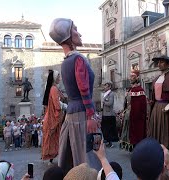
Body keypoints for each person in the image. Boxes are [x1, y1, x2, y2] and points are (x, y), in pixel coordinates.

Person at [49, 18, 99, 174]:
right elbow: (84, 89)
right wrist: (91, 116)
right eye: (75, 29)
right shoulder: (78, 59)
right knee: (88, 157)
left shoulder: (65, 62)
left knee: (72, 157)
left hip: (71, 113)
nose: (80, 33)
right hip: (82, 114)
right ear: (68, 36)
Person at [120, 69, 147, 152]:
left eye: (132, 76)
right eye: (130, 76)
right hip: (128, 115)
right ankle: (131, 147)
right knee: (127, 132)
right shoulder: (130, 90)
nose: (130, 78)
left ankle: (137, 148)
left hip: (135, 116)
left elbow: (141, 106)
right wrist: (123, 111)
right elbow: (127, 103)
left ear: (137, 78)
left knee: (135, 133)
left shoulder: (139, 90)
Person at [42, 70, 65, 165]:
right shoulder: (54, 89)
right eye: (58, 77)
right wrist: (65, 107)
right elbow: (56, 104)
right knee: (55, 137)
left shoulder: (53, 88)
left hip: (51, 116)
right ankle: (54, 158)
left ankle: (52, 158)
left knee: (54, 137)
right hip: (53, 117)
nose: (60, 78)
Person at [101, 82, 118, 148]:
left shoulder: (111, 94)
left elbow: (110, 103)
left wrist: (104, 101)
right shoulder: (105, 94)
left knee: (109, 129)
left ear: (109, 87)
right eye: (104, 86)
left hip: (109, 114)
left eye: (106, 86)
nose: (104, 87)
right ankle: (107, 141)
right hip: (105, 114)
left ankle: (111, 142)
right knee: (105, 129)